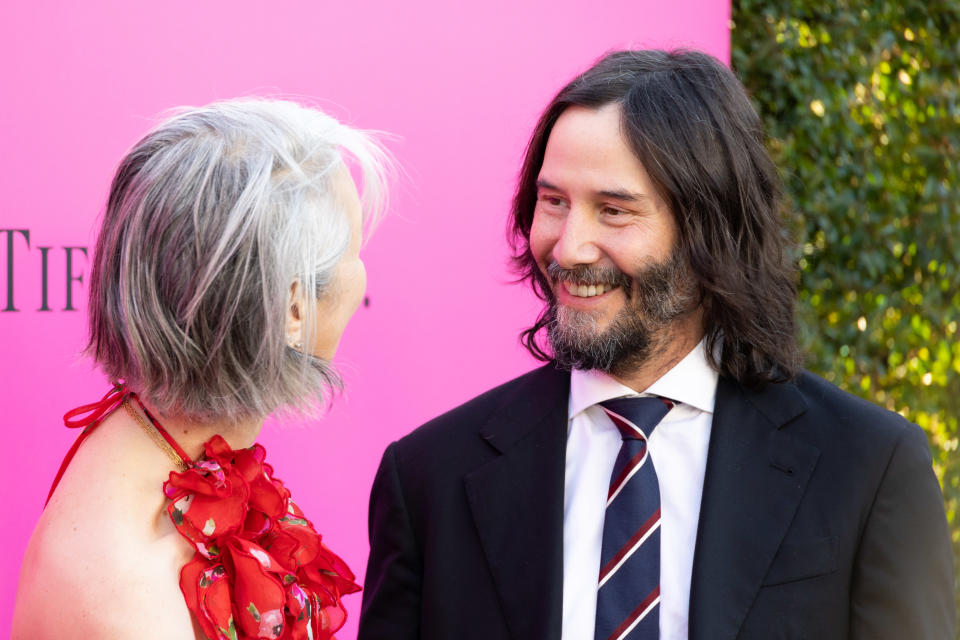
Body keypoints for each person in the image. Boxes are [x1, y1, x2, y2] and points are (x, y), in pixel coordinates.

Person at [358, 50, 954, 640]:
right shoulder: (428, 479)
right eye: (554, 202)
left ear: (708, 233)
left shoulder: (867, 469)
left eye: (613, 211)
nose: (569, 248)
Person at [12, 98, 391, 639]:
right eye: (356, 250)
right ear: (294, 310)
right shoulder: (134, 599)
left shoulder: (150, 443)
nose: (363, 277)